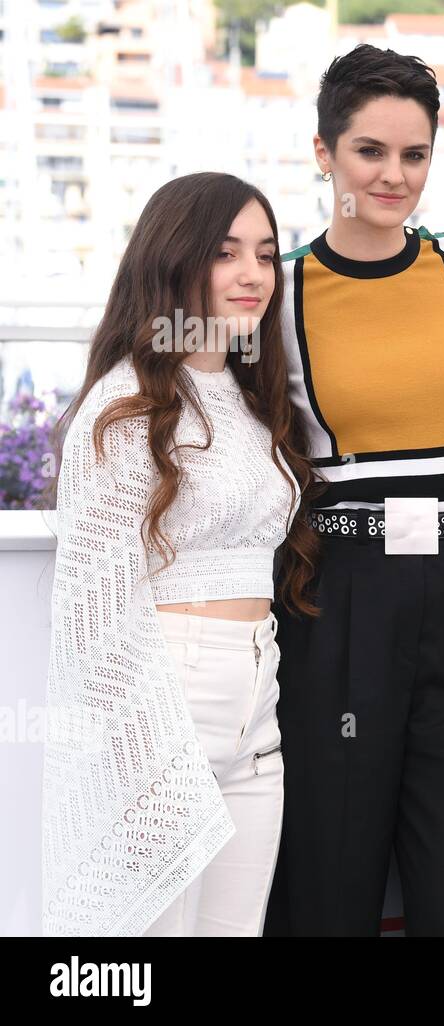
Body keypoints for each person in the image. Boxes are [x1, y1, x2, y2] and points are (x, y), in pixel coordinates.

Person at [263, 44, 444, 936]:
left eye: (414, 154)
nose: (393, 175)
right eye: (370, 151)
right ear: (324, 153)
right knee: (331, 884)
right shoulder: (279, 292)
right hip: (342, 605)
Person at [42, 173, 317, 936]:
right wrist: (133, 740)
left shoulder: (251, 396)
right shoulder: (124, 402)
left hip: (257, 706)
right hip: (166, 701)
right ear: (174, 259)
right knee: (144, 940)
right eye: (226, 252)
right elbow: (94, 604)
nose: (253, 274)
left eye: (265, 254)